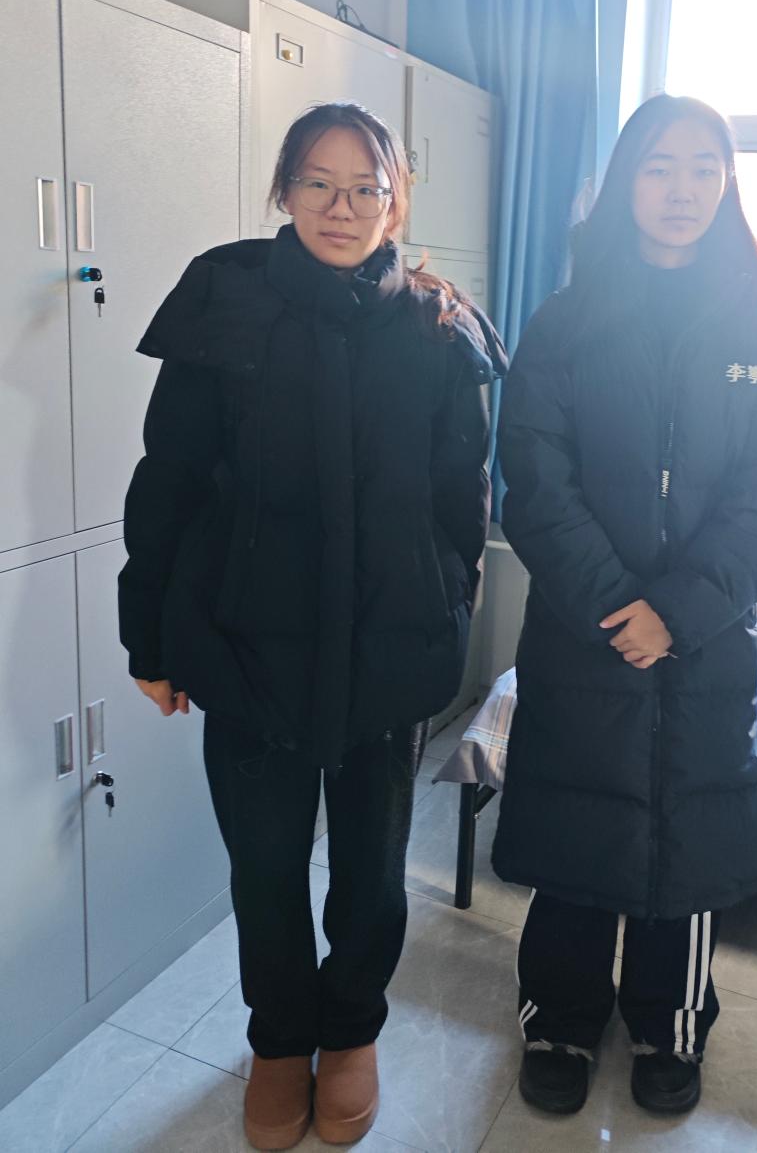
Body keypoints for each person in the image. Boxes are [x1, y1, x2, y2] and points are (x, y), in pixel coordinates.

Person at [118, 102, 506, 1151]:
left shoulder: (437, 327)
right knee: (265, 865)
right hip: (247, 646)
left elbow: (461, 500)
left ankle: (352, 1032)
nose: (341, 207)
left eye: (365, 187)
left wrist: (447, 611)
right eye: (318, 183)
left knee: (373, 874)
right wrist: (149, 637)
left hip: (387, 655)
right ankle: (281, 1039)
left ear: (396, 201)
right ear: (283, 190)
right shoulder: (226, 300)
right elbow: (169, 479)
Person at [491, 94, 757, 1118]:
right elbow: (533, 483)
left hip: (704, 642)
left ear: (728, 185)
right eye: (659, 166)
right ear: (623, 182)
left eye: (704, 168)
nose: (682, 189)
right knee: (576, 833)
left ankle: (670, 1023)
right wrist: (615, 605)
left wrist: (676, 612)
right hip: (584, 634)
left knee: (689, 842)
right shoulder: (566, 321)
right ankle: (558, 1016)